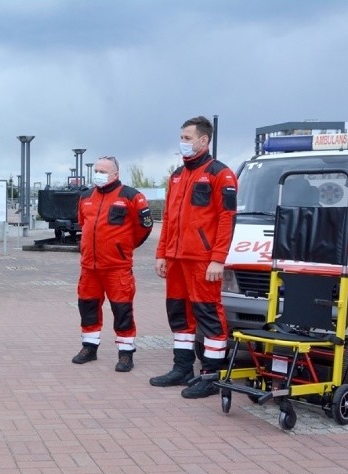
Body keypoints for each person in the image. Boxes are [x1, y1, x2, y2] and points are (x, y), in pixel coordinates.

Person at [150, 115, 238, 398]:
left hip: (202, 260)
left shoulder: (220, 174)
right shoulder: (177, 175)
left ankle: (211, 376)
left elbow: (227, 219)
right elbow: (168, 218)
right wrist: (162, 254)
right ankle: (182, 368)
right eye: (182, 138)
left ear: (204, 140)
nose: (182, 143)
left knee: (208, 315)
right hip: (176, 260)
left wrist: (218, 258)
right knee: (179, 315)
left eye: (187, 138)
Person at [71, 156, 153, 372]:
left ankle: (126, 353)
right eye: (96, 170)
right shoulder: (85, 196)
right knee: (87, 307)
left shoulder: (132, 196)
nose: (98, 173)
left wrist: (123, 247)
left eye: (103, 171)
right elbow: (83, 224)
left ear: (116, 174)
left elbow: (143, 228)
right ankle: (89, 347)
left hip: (117, 267)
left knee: (122, 309)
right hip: (89, 267)